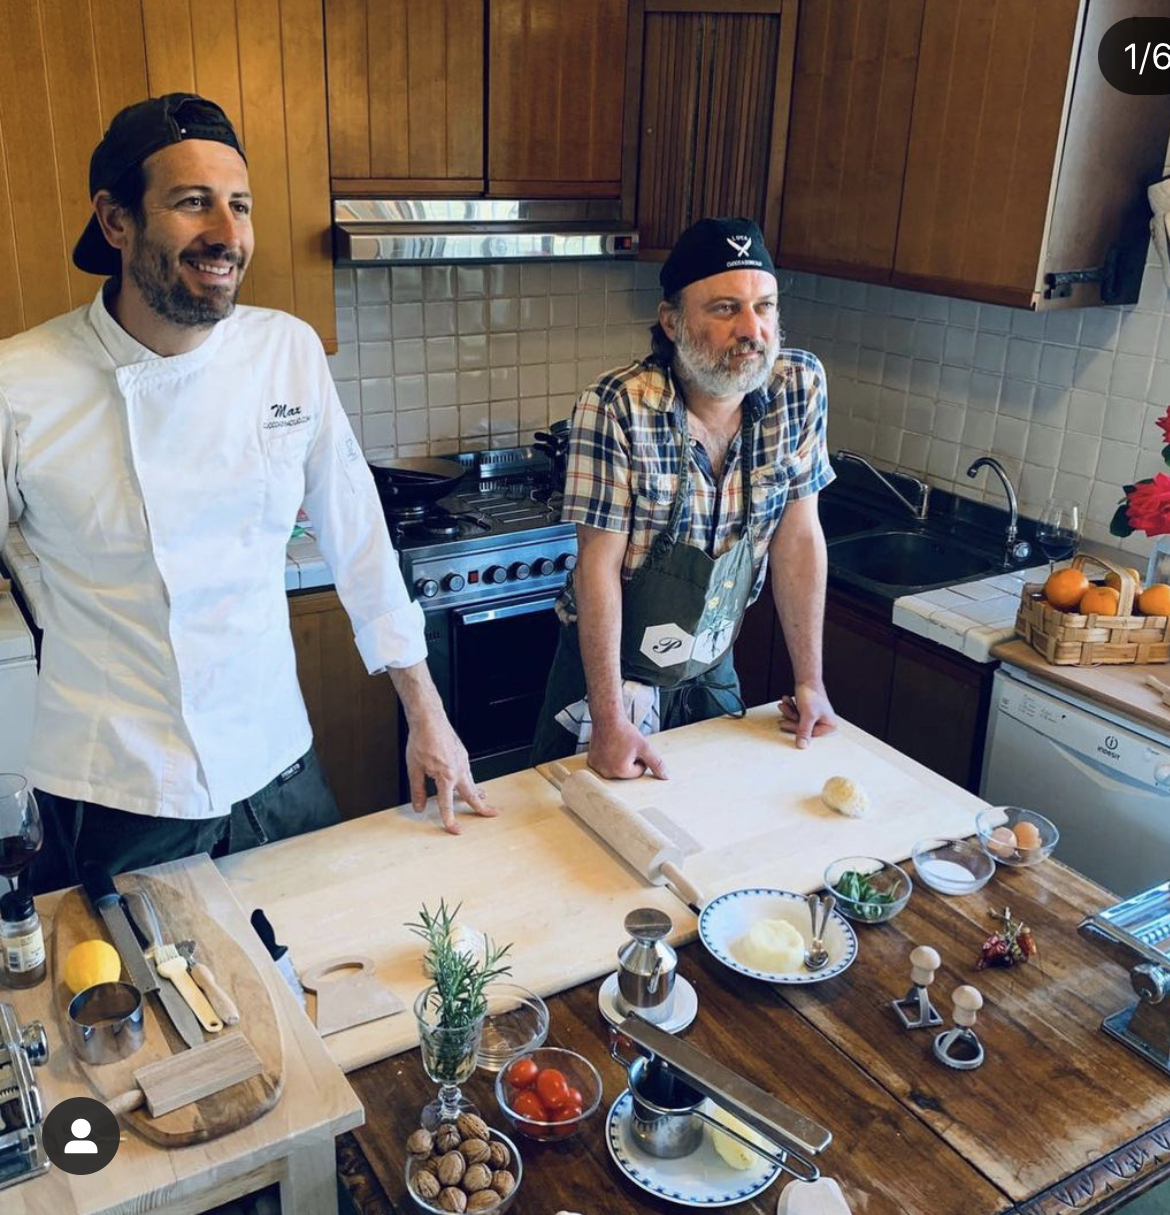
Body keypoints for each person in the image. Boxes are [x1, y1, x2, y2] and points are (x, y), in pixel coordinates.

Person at [0, 93, 492, 889]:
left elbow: (359, 537)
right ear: (116, 221)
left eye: (240, 205)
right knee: (158, 1006)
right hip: (118, 790)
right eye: (193, 203)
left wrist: (426, 713)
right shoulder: (20, 383)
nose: (228, 236)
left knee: (325, 976)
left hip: (277, 762)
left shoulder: (285, 351)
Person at [530, 216, 836, 778]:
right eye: (725, 308)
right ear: (671, 321)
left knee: (717, 826)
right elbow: (596, 569)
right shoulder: (618, 406)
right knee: (576, 836)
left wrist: (809, 681)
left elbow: (799, 536)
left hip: (711, 665)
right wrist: (608, 720)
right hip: (611, 675)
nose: (753, 329)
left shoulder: (799, 388)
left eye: (764, 306)